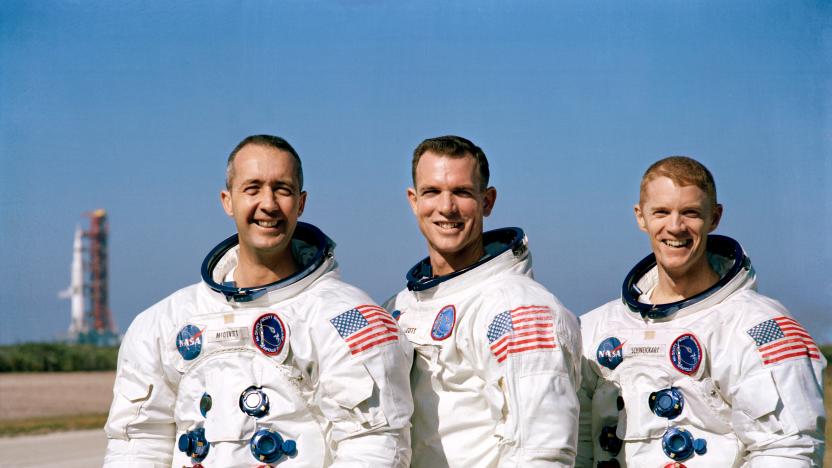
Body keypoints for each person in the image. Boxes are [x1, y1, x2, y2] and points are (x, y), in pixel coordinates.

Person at [104, 135, 414, 467]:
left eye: (282, 189)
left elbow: (373, 447)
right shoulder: (164, 322)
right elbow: (137, 442)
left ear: (301, 202)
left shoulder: (348, 317)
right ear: (227, 200)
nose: (268, 203)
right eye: (252, 188)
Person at [577, 156, 826, 467]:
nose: (675, 226)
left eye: (690, 213)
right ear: (640, 217)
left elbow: (788, 451)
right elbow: (577, 443)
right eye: (661, 212)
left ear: (715, 217)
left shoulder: (759, 325)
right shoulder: (596, 329)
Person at [385, 135, 582, 467]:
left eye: (461, 192)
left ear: (487, 201)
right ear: (413, 200)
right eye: (432, 192)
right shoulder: (399, 307)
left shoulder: (518, 307)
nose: (446, 208)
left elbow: (542, 450)